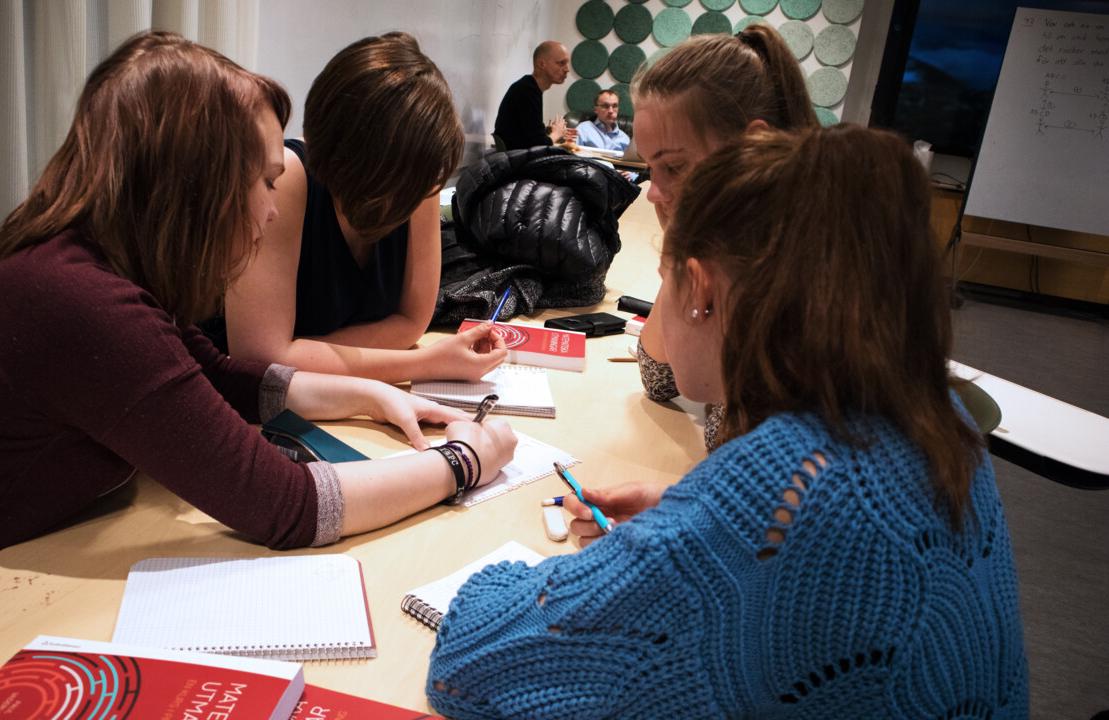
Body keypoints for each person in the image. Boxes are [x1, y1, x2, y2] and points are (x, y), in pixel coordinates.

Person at [0, 32, 517, 627]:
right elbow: (283, 506)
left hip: (1, 573)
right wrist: (464, 461)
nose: (273, 211)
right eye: (262, 181)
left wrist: (375, 396)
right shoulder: (81, 304)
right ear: (200, 185)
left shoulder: (97, 263)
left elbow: (223, 380)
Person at [425, 125, 1029, 718]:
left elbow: (469, 665)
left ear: (702, 290)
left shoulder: (778, 484)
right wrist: (688, 516)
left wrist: (671, 544)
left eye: (666, 280)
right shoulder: (935, 416)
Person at [217, 32, 507, 384]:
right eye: (392, 182)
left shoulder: (419, 178)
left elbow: (411, 323)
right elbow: (261, 359)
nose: (412, 198)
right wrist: (426, 363)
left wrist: (299, 354)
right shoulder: (285, 180)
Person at [631, 24, 819, 451]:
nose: (652, 193)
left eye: (674, 167)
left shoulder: (797, 279)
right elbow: (660, 377)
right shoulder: (732, 248)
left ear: (753, 143)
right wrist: (683, 249)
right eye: (649, 169)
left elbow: (751, 454)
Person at [493, 41, 578, 151]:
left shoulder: (529, 88)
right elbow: (539, 146)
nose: (567, 69)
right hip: (518, 163)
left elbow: (527, 132)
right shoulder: (527, 91)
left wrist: (549, 131)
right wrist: (556, 134)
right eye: (561, 63)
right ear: (541, 64)